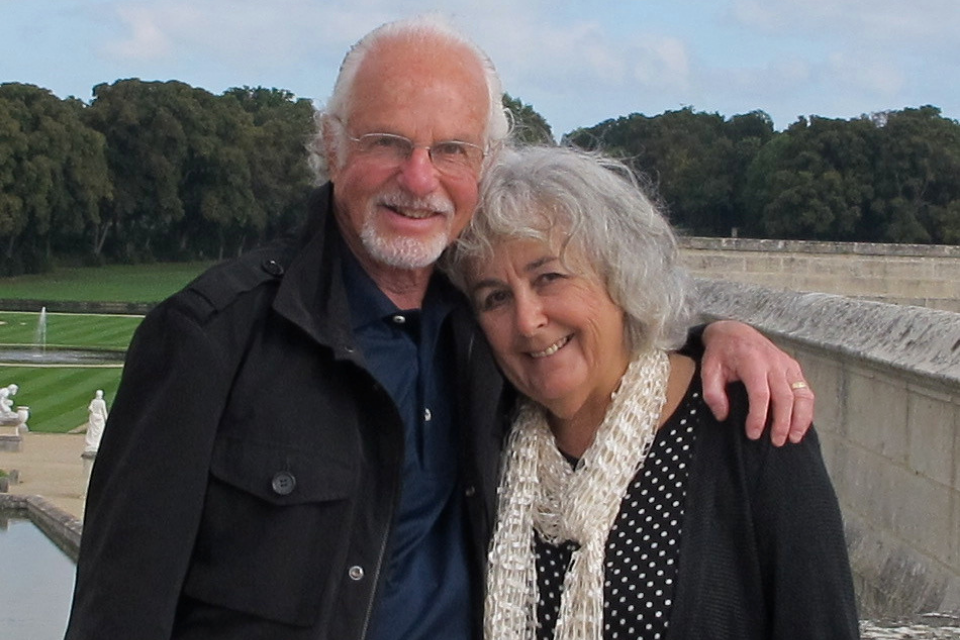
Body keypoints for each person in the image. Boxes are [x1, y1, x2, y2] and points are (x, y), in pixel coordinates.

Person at [65, 16, 815, 640]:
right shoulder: (207, 339)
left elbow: (592, 332)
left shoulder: (481, 322)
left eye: (450, 150)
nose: (418, 178)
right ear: (330, 145)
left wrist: (717, 334)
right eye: (386, 141)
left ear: (484, 164)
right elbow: (118, 614)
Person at [443, 145, 858, 639]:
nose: (528, 321)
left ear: (621, 275)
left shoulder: (750, 428)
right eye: (495, 298)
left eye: (549, 277)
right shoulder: (485, 437)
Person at [84, 390, 108, 454]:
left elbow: (90, 408)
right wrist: (106, 419)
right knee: (99, 431)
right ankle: (96, 442)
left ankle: (92, 442)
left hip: (94, 417)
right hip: (99, 417)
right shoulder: (102, 402)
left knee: (93, 430)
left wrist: (93, 412)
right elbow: (104, 411)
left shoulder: (93, 401)